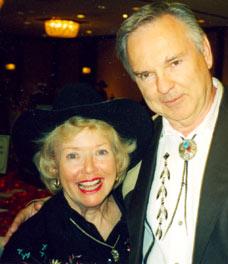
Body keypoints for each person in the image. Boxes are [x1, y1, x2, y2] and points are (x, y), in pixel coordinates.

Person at [2, 2, 228, 263]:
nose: (164, 86)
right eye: (146, 74)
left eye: (174, 62)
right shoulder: (138, 142)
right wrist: (46, 205)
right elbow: (96, 186)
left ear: (205, 52)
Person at [0, 83, 153, 263]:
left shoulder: (139, 208)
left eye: (101, 152)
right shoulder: (30, 241)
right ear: (53, 166)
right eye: (73, 155)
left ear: (118, 159)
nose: (89, 168)